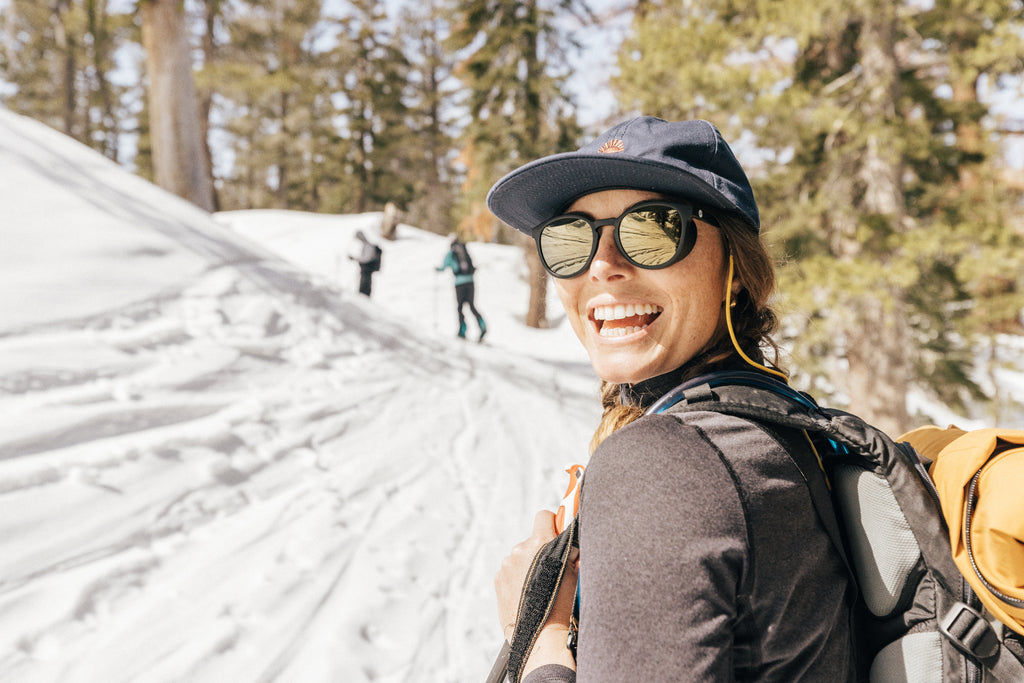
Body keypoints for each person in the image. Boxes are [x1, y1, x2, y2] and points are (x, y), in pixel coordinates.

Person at [485, 117, 855, 681]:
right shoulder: (776, 425)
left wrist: (539, 633)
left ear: (734, 268)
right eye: (569, 239)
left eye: (651, 230)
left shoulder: (666, 462)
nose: (603, 265)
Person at [436, 237, 487, 341]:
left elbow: (444, 266)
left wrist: (438, 269)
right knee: (472, 305)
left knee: (460, 307)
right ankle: (482, 325)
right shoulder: (464, 250)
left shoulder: (451, 253)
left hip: (459, 283)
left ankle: (462, 330)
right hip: (470, 281)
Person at [349, 230, 382, 296]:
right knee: (364, 284)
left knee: (365, 285)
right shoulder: (366, 245)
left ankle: (364, 298)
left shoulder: (368, 246)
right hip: (365, 269)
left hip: (367, 269)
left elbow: (366, 258)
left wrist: (355, 259)